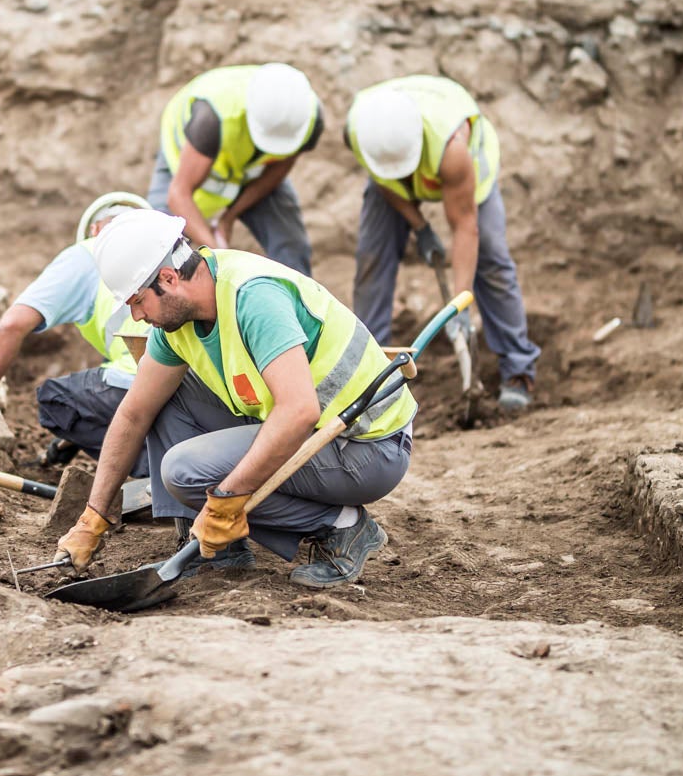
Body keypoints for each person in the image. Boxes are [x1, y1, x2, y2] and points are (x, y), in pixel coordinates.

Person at [54, 208, 417, 591]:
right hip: (310, 429)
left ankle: (342, 525)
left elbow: (298, 410)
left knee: (184, 471)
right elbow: (133, 414)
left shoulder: (253, 297)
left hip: (366, 446)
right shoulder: (177, 321)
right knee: (162, 398)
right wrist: (93, 517)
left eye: (137, 301)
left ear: (168, 278)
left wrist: (226, 498)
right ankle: (218, 548)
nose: (137, 316)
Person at [346, 75, 541, 412]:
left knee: (491, 258)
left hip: (465, 168)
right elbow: (382, 180)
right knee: (372, 258)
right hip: (390, 172)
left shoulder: (452, 149)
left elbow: (465, 227)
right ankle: (369, 374)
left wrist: (458, 307)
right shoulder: (360, 131)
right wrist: (419, 226)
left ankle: (517, 370)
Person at [0, 192, 151, 466]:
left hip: (143, 379)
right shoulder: (165, 249)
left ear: (95, 230)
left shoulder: (87, 254)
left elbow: (12, 325)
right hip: (193, 382)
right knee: (105, 374)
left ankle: (151, 467)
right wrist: (73, 438)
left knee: (57, 401)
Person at [147, 63, 324, 275]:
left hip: (252, 169)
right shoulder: (211, 120)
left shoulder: (306, 122)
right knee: (155, 252)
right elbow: (178, 195)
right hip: (185, 166)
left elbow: (279, 168)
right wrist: (218, 254)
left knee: (290, 245)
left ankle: (296, 303)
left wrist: (229, 218)